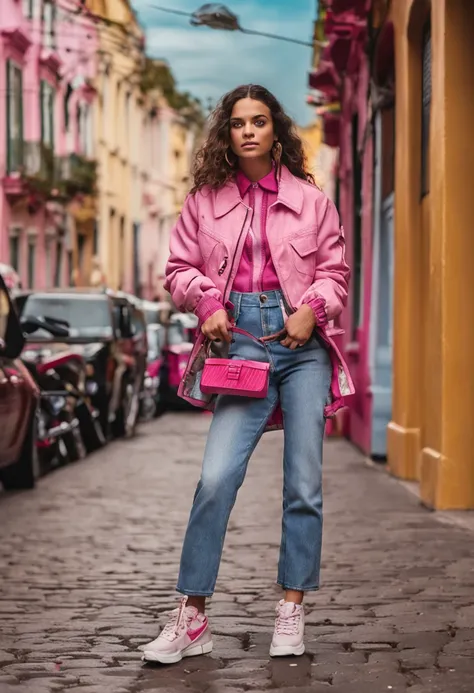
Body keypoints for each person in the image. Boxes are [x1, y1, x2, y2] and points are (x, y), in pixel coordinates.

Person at [141, 84, 352, 664]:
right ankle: (192, 617)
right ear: (227, 134)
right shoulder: (203, 202)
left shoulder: (312, 201)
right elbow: (179, 269)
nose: (250, 131)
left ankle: (291, 609)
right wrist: (208, 304)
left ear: (277, 131)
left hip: (303, 342)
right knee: (214, 480)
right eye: (239, 123)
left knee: (303, 485)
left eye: (260, 121)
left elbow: (336, 270)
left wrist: (313, 308)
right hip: (239, 341)